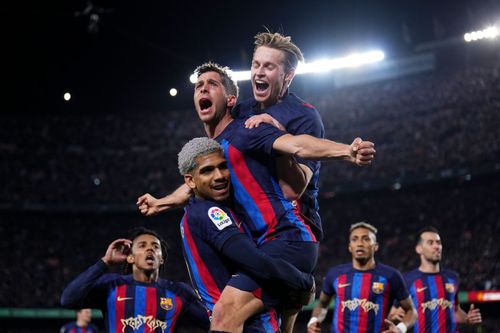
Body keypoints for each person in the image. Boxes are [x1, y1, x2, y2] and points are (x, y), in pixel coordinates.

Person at [139, 62, 374, 332]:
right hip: (267, 245)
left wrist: (347, 151)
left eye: (212, 84)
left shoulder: (247, 129)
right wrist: (162, 202)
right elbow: (194, 186)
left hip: (286, 237)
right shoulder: (216, 152)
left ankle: (300, 284)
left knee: (224, 315)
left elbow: (297, 143)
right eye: (198, 86)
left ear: (230, 99)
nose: (203, 88)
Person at [179, 137, 316, 332]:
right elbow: (254, 260)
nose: (219, 176)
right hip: (251, 325)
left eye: (223, 167)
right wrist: (303, 281)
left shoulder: (193, 214)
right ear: (190, 181)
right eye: (207, 170)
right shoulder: (209, 212)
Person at [61, 227, 210, 333]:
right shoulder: (112, 285)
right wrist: (105, 262)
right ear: (130, 257)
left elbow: (213, 325)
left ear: (162, 259)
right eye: (142, 245)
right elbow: (68, 299)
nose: (150, 249)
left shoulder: (179, 292)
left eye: (155, 247)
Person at [307, 222, 417, 333]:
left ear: (376, 246)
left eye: (366, 239)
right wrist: (313, 320)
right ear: (350, 247)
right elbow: (322, 304)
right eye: (355, 239)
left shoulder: (391, 275)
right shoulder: (335, 274)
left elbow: (411, 311)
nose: (360, 243)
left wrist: (400, 329)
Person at [389, 226, 482, 333]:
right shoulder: (407, 280)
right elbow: (393, 310)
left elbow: (455, 310)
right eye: (430, 242)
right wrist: (395, 315)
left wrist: (467, 318)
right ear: (419, 249)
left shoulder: (453, 277)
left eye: (438, 242)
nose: (436, 246)